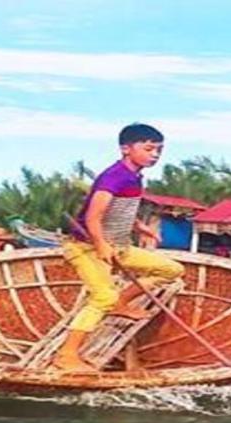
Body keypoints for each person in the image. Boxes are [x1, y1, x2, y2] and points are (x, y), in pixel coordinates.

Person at [52, 123, 185, 372]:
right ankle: (65, 355)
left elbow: (120, 208)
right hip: (86, 247)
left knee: (172, 270)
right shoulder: (113, 176)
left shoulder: (135, 176)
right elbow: (93, 217)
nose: (155, 154)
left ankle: (120, 304)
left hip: (120, 246)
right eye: (149, 149)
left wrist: (139, 227)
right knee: (102, 296)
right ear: (126, 148)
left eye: (159, 150)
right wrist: (101, 245)